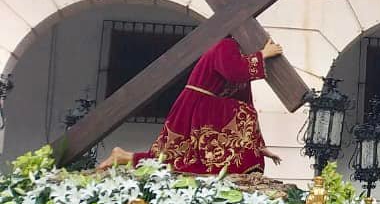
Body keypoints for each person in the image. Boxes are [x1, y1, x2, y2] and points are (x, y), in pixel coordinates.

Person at [99, 36, 284, 173]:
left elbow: (245, 102)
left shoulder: (241, 58)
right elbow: (234, 72)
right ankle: (123, 156)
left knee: (179, 160)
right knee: (177, 156)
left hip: (205, 109)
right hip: (196, 106)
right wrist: (262, 55)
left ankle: (124, 156)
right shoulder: (226, 45)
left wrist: (259, 146)